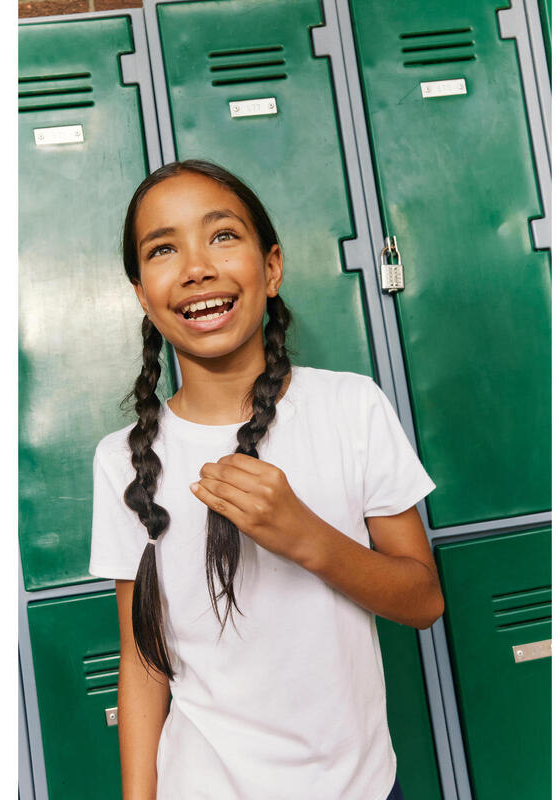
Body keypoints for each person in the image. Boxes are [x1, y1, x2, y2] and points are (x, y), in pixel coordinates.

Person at [89, 159, 445, 800]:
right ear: (142, 293)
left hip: (358, 787)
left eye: (222, 235)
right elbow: (144, 659)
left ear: (272, 268)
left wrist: (306, 537)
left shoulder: (351, 407)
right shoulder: (121, 460)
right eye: (163, 248)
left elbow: (423, 601)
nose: (196, 266)